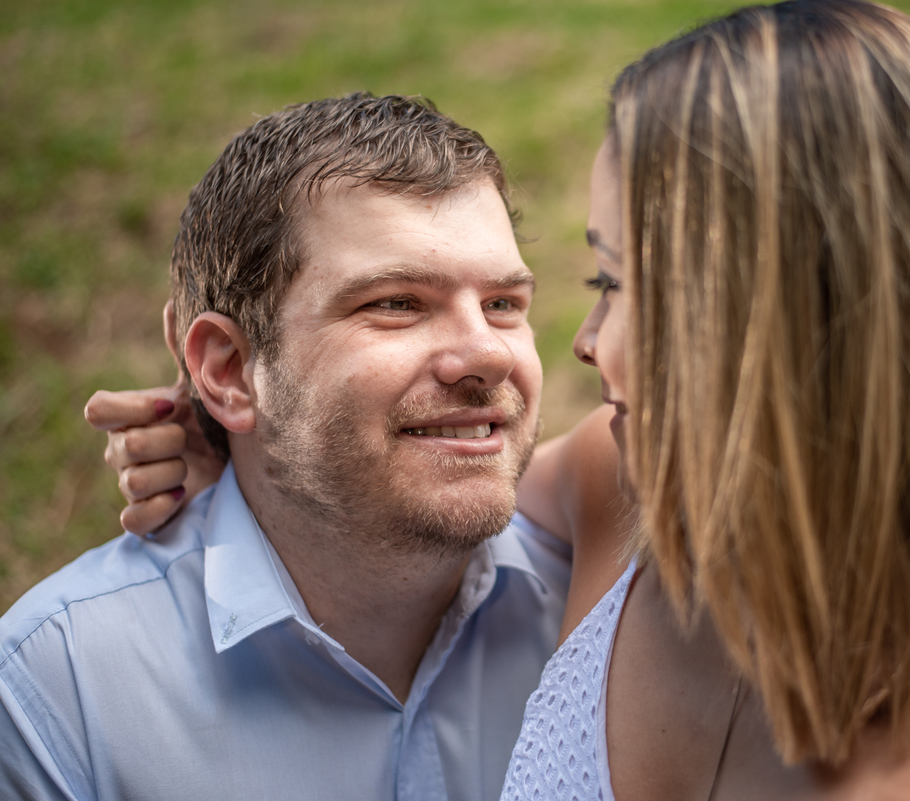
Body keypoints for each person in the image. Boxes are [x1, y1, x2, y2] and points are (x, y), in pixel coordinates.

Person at [83, 1, 910, 799]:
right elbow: (407, 489)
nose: (584, 340)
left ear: (791, 320)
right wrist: (261, 441)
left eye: (616, 282)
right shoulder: (622, 493)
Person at [0, 92, 621, 801]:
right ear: (229, 370)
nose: (486, 352)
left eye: (504, 304)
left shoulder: (603, 590)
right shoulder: (60, 690)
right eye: (396, 303)